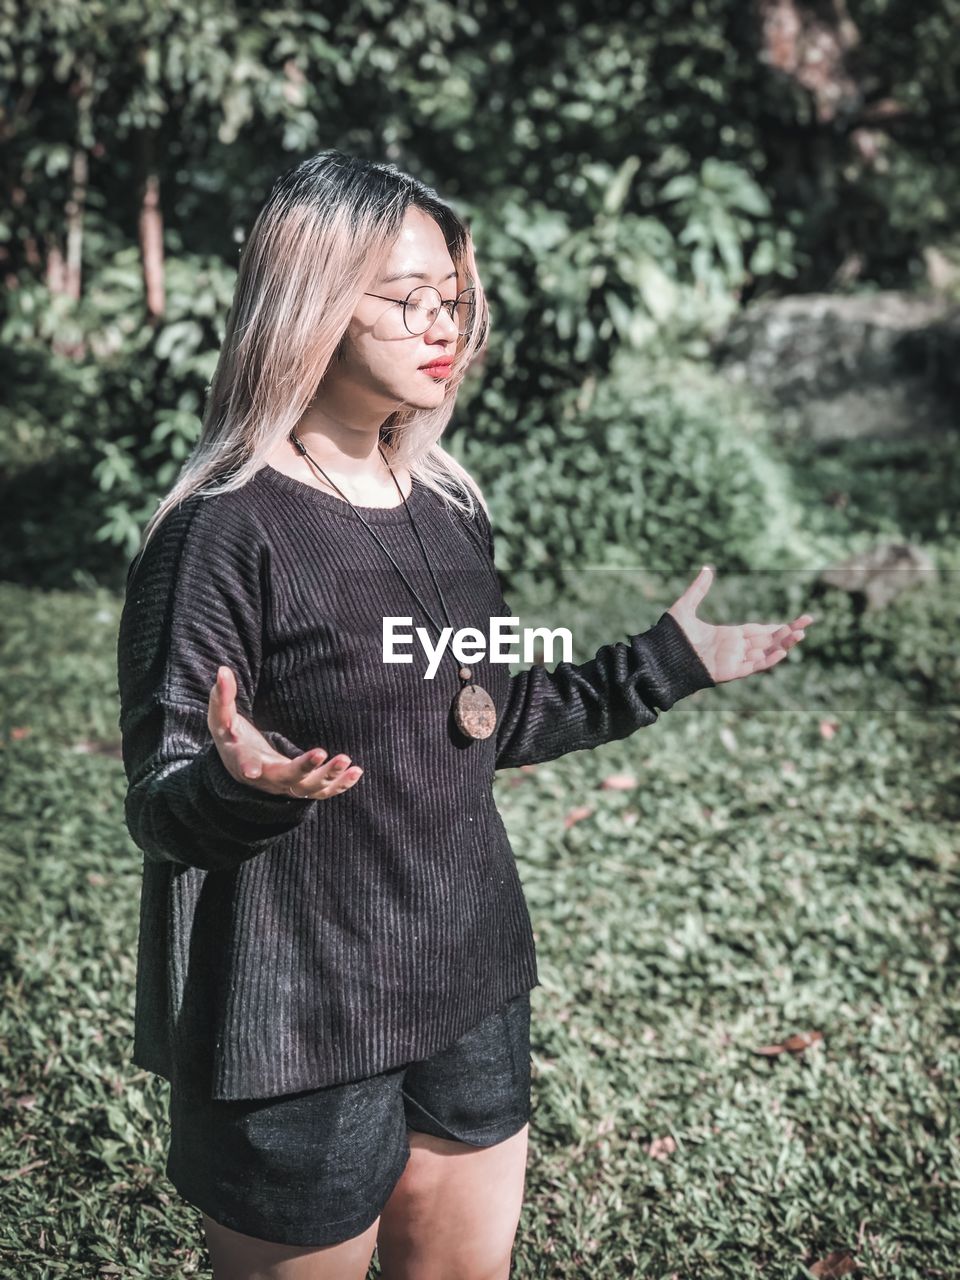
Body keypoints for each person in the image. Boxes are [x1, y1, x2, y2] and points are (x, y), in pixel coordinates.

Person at [116, 149, 815, 1280]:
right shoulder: (222, 532)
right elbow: (163, 796)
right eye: (407, 297)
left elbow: (487, 713)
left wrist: (665, 663)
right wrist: (235, 789)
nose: (444, 321)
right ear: (313, 300)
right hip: (298, 1022)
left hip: (468, 980)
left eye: (452, 295)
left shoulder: (445, 504)